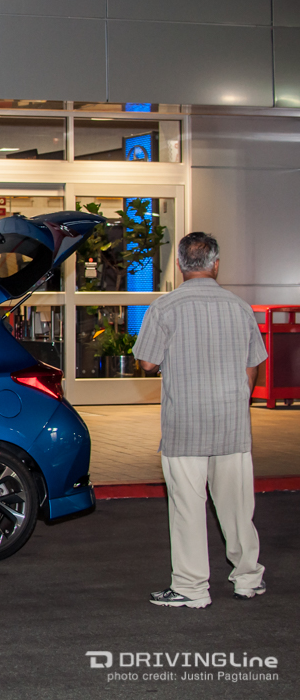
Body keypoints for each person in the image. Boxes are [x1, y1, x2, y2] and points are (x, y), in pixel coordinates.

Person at [134, 232, 268, 609]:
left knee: (187, 507)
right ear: (216, 263)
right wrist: (242, 400)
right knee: (238, 507)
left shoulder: (165, 307)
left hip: (185, 425)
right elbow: (254, 362)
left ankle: (192, 588)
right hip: (231, 424)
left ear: (179, 265)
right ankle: (247, 579)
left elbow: (147, 362)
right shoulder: (239, 307)